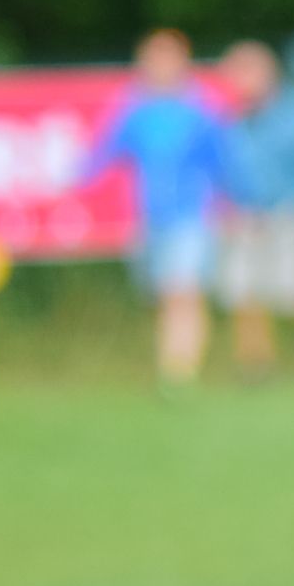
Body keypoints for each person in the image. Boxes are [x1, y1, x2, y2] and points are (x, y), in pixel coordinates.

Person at [81, 27, 230, 385]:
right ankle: (172, 363)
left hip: (192, 217)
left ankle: (180, 372)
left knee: (184, 292)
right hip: (148, 218)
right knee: (159, 296)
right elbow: (102, 155)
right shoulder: (133, 108)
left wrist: (241, 201)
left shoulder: (201, 108)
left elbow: (224, 161)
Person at [214, 39, 294, 377]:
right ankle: (255, 365)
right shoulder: (231, 118)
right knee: (244, 292)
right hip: (244, 216)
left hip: (290, 214)